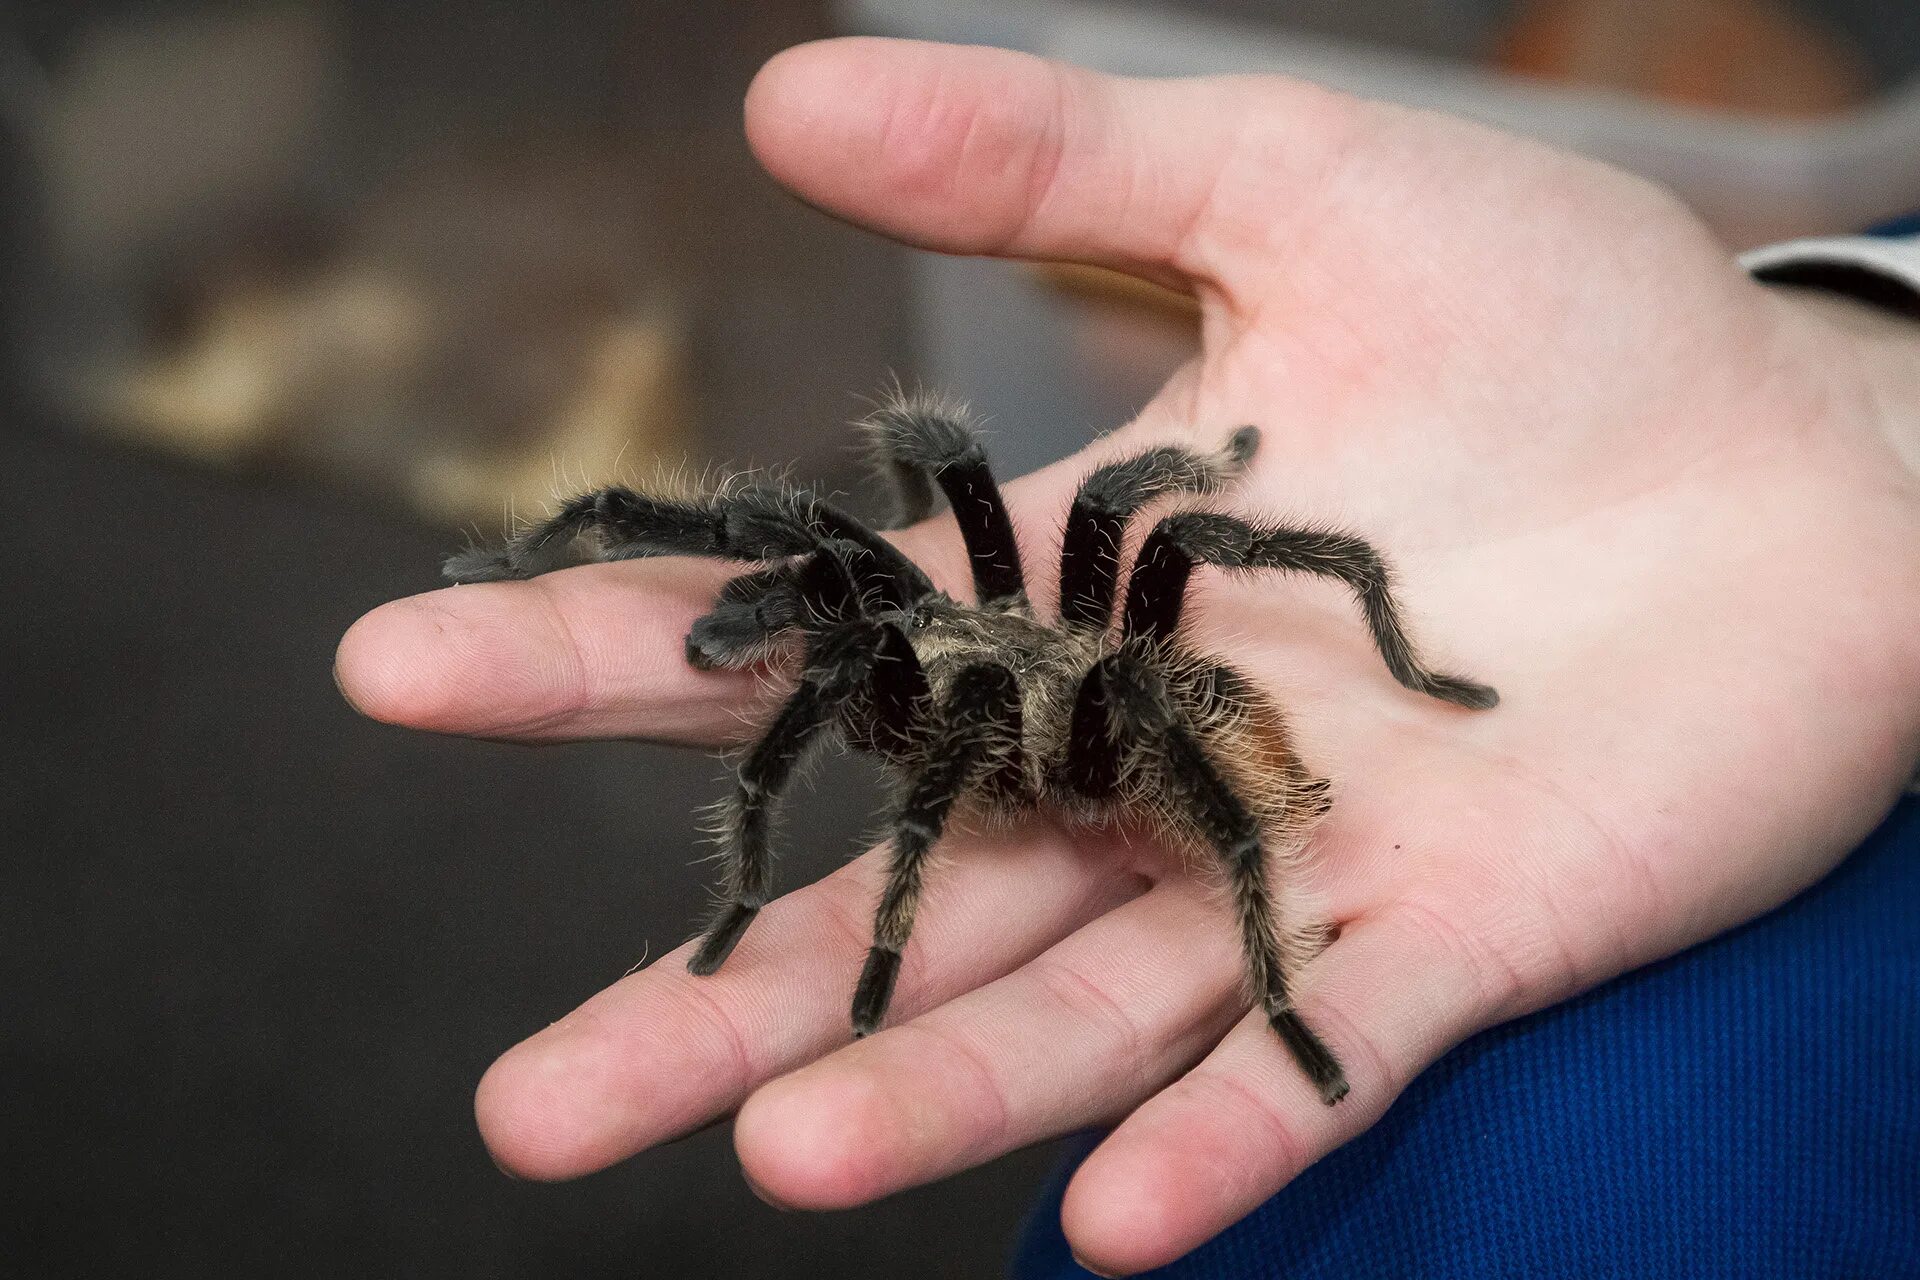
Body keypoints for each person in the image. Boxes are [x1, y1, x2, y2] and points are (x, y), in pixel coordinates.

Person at [334, 38, 1920, 1278]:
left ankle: (1271, 967)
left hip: (1125, 729)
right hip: (1071, 687)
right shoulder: (915, 615)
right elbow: (907, 478)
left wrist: (871, 935)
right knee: (911, 475)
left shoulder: (1048, 689)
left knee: (1122, 553)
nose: (851, 634)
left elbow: (1124, 568)